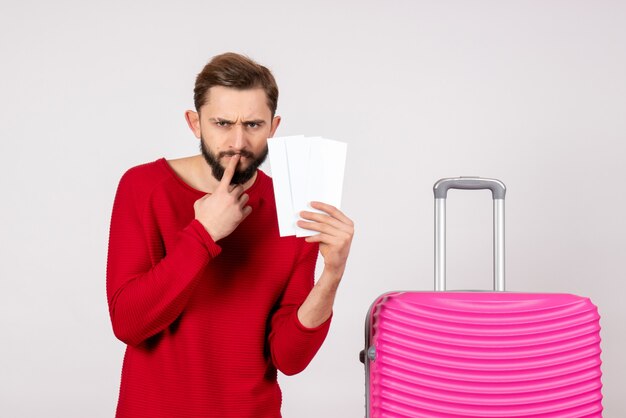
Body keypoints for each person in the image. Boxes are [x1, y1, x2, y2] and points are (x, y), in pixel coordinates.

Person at [106, 52, 354, 418]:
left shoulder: (294, 206)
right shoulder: (142, 187)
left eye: (253, 125)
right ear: (195, 123)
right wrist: (203, 234)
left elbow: (289, 359)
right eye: (222, 123)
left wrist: (331, 275)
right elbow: (129, 323)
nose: (238, 141)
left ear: (273, 126)